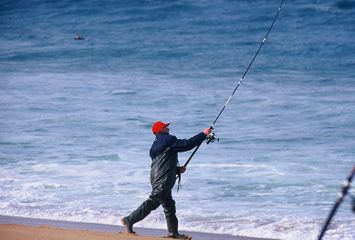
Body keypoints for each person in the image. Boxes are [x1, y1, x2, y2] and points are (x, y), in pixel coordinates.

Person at [121, 121, 211, 239]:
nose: (168, 128)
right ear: (160, 130)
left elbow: (162, 163)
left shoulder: (156, 145)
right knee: (153, 201)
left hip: (157, 177)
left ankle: (173, 233)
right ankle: (129, 219)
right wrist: (203, 134)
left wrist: (177, 170)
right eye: (165, 127)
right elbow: (186, 144)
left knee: (169, 205)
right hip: (163, 180)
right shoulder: (167, 139)